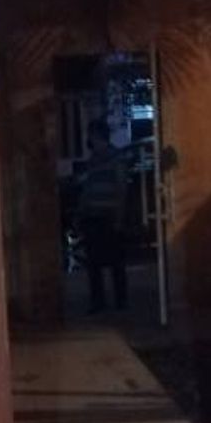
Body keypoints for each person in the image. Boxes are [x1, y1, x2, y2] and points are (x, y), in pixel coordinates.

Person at [78, 119, 129, 313]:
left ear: (97, 135)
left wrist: (119, 217)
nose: (89, 139)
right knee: (93, 262)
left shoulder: (116, 157)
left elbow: (121, 187)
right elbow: (88, 188)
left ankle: (120, 301)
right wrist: (82, 211)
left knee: (116, 261)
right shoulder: (93, 159)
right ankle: (98, 302)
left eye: (91, 135)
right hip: (93, 216)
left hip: (108, 216)